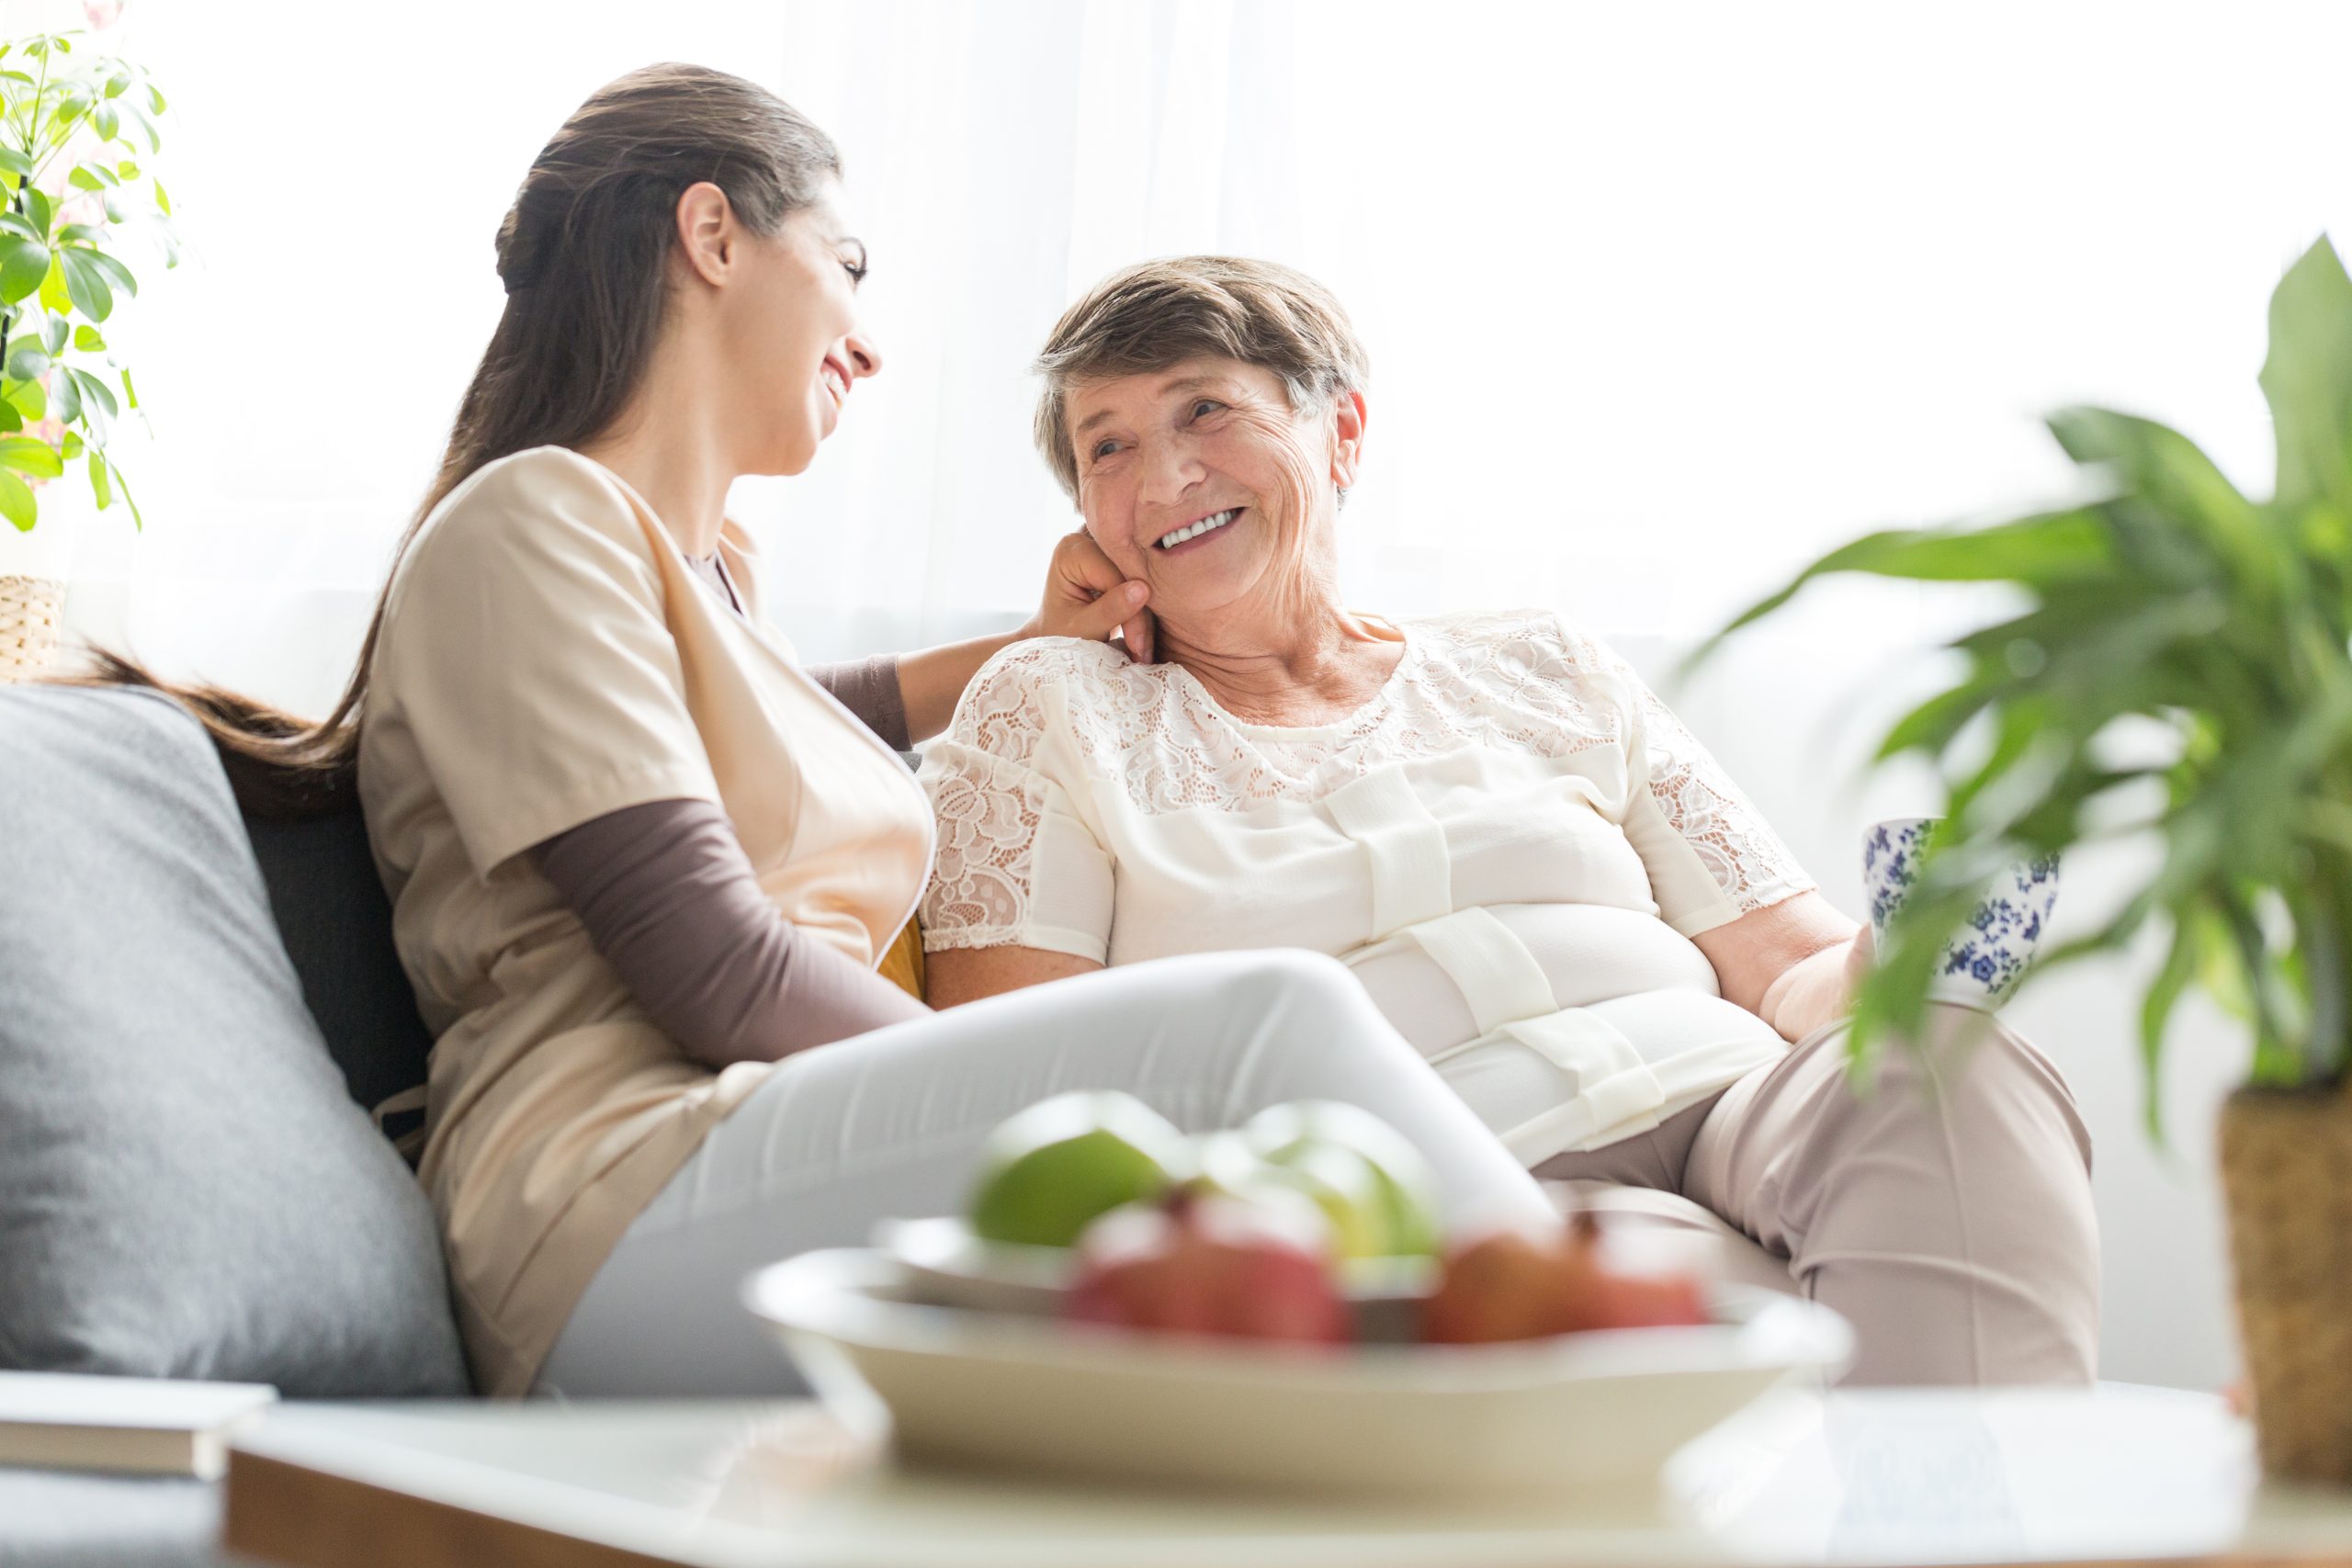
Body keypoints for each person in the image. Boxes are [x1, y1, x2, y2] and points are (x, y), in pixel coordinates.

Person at [100, 68, 1560, 1399]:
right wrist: (1064, 1076)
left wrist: (1026, 648)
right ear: (714, 236)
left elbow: (790, 731)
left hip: (756, 1146)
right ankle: (1618, 1366)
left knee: (1277, 1254)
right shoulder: (534, 522)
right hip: (614, 1193)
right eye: (848, 269)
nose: (868, 343)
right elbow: (714, 968)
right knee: (1264, 1025)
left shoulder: (709, 568)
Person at [917, 255, 2102, 1385]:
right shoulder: (1050, 707)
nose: (1164, 477)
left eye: (1208, 412)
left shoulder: (1544, 661)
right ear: (1086, 518)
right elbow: (1029, 1083)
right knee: (1650, 1259)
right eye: (1107, 447)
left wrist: (1925, 940)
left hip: (1723, 1098)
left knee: (1950, 1066)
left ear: (1341, 435)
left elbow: (1787, 966)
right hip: (1436, 1166)